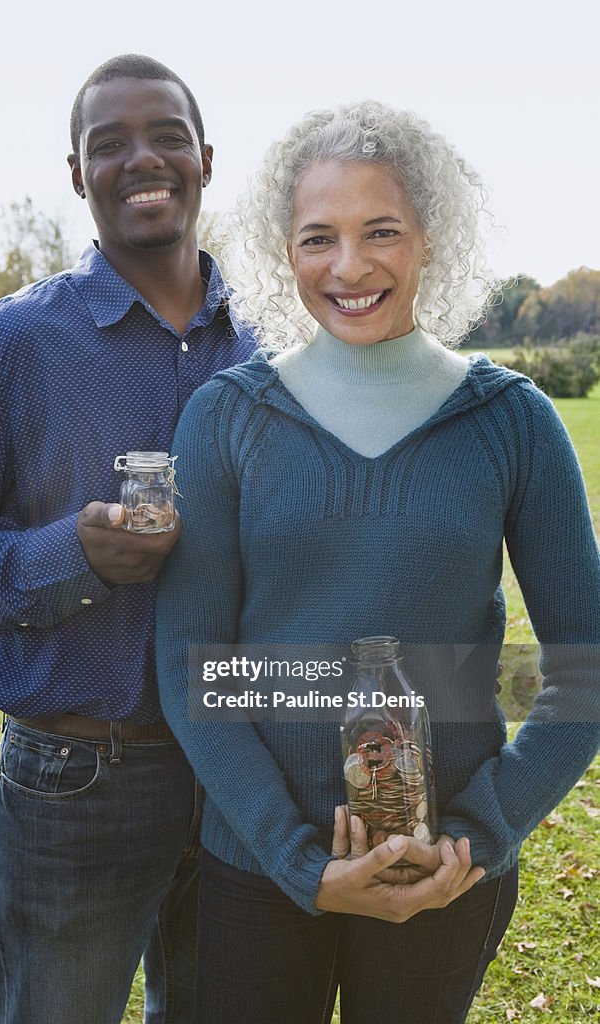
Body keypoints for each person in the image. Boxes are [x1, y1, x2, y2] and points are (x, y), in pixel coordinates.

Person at [155, 100, 600, 1023]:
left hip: (444, 878)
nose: (349, 267)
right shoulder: (229, 418)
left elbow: (582, 672)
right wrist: (297, 859)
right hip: (257, 871)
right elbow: (192, 669)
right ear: (285, 250)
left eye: (382, 231)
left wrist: (475, 836)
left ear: (430, 238)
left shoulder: (513, 422)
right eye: (319, 237)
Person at [0, 54, 257, 1024]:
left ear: (204, 158)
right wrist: (70, 555)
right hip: (80, 779)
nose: (140, 158)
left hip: (243, 770)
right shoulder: (12, 345)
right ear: (76, 173)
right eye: (109, 143)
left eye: (165, 136)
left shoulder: (269, 344)